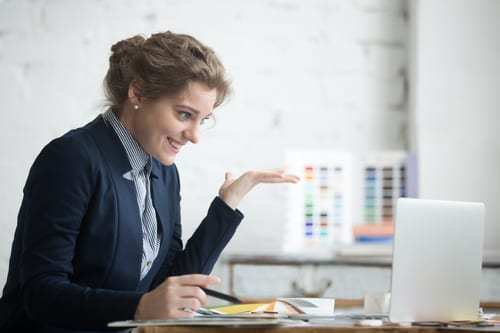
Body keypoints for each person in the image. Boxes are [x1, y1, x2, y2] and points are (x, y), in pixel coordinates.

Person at [0, 31, 299, 332]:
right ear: (138, 94)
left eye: (203, 120)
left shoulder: (165, 173)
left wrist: (227, 204)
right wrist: (139, 307)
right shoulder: (71, 159)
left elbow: (168, 288)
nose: (195, 136)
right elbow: (40, 294)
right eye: (184, 115)